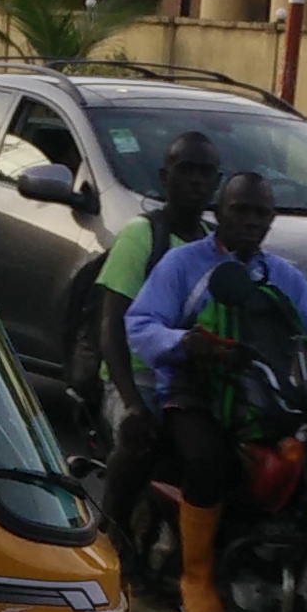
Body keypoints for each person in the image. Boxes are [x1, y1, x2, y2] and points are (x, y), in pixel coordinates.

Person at [123, 171, 307, 612]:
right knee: (208, 461)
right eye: (240, 209)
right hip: (194, 392)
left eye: (260, 213)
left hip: (266, 394)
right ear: (218, 213)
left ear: (271, 220)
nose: (250, 221)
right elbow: (140, 324)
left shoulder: (281, 274)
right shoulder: (183, 265)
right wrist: (187, 342)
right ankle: (196, 575)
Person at [86, 128, 219, 521]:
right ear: (165, 178)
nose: (196, 180)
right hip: (136, 377)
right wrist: (132, 404)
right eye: (186, 169)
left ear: (218, 182)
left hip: (192, 382)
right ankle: (113, 534)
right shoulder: (141, 235)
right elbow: (112, 328)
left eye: (206, 172)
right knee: (138, 442)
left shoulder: (216, 247)